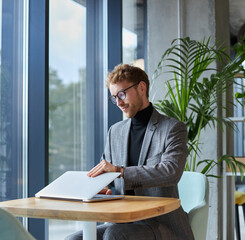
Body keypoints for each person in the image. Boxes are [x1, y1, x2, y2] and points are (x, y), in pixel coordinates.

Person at [65, 64, 194, 240]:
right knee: (72, 239)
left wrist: (120, 172)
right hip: (121, 221)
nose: (118, 103)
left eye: (122, 94)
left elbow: (171, 172)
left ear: (142, 88)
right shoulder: (114, 132)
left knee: (115, 236)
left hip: (161, 224)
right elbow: (108, 175)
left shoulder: (172, 128)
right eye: (113, 97)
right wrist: (101, 187)